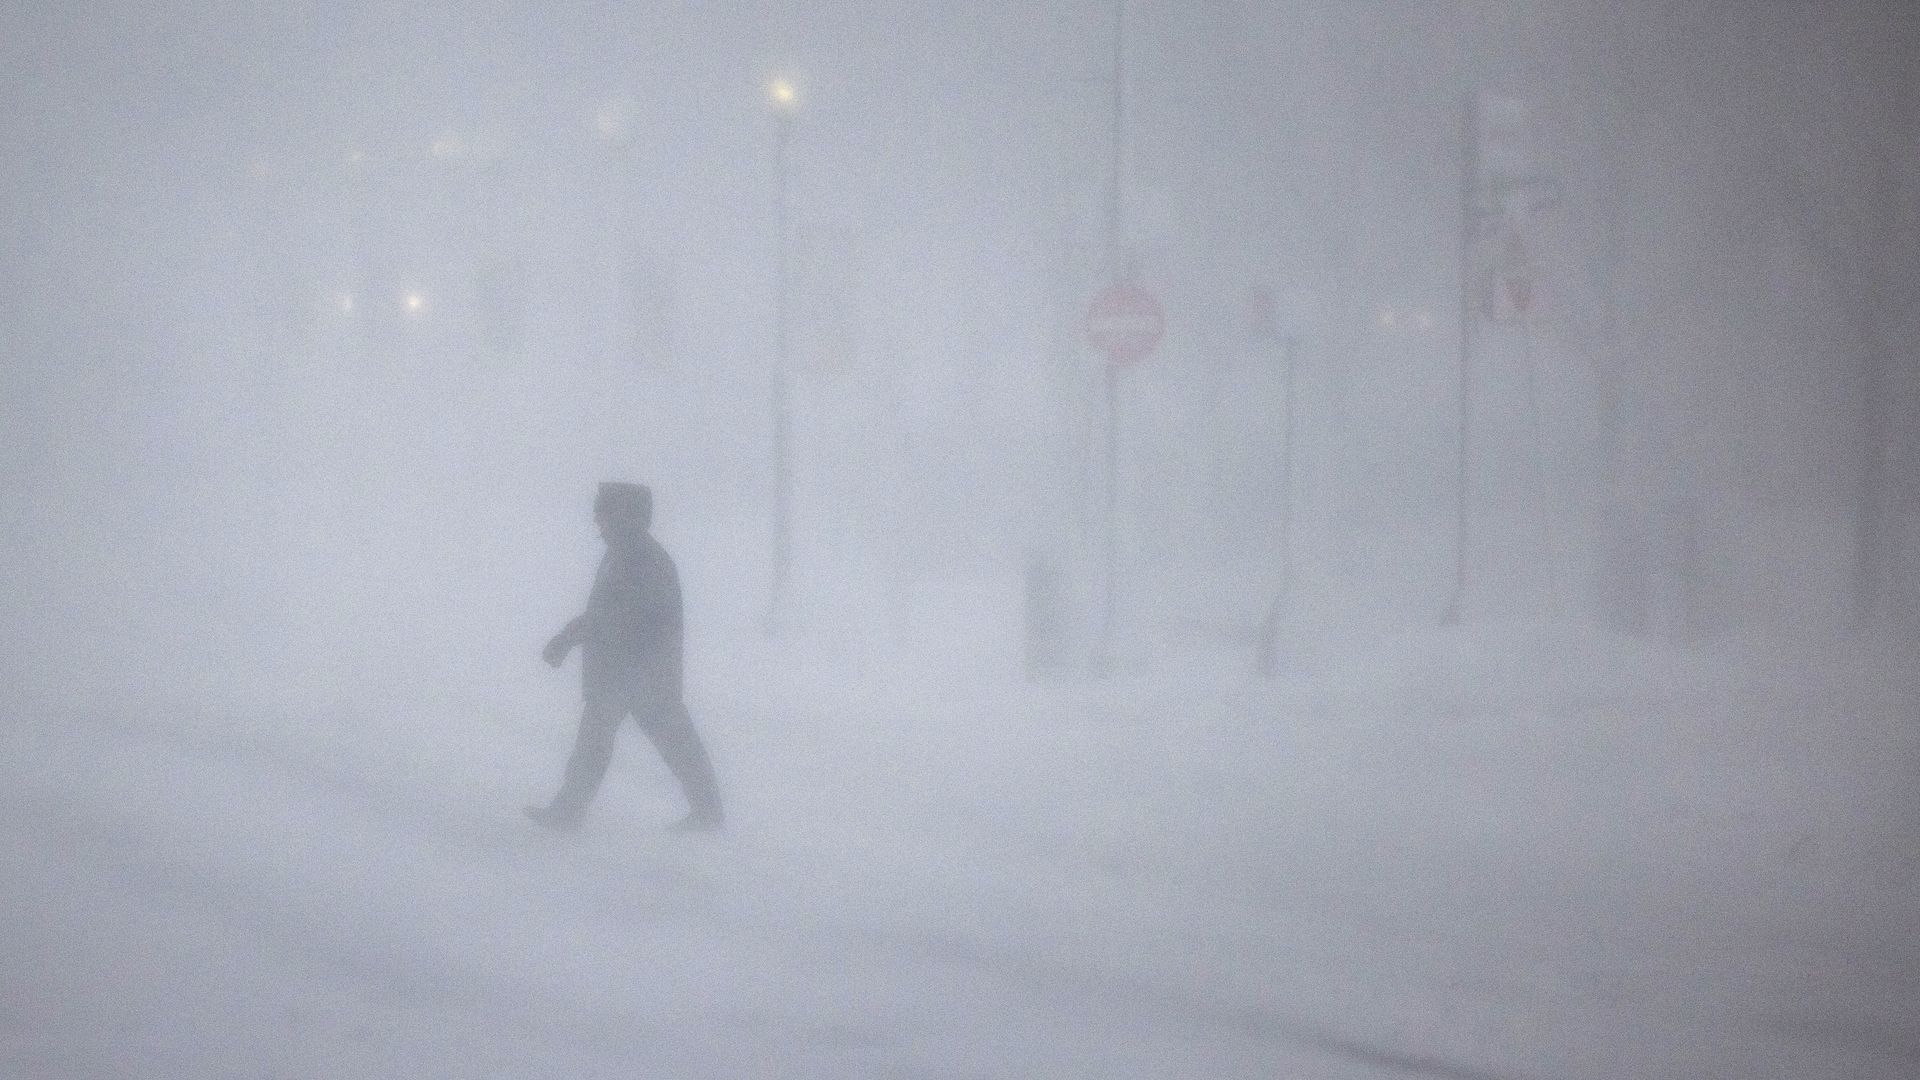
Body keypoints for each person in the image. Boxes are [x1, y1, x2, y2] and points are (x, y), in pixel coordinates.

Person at [526, 481, 724, 832]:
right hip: (623, 673)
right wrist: (567, 639)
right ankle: (568, 812)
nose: (597, 524)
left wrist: (572, 639)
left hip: (641, 674)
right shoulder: (623, 554)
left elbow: (627, 620)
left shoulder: (644, 560)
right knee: (599, 744)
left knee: (674, 744)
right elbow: (606, 614)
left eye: (603, 517)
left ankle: (708, 814)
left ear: (622, 518)